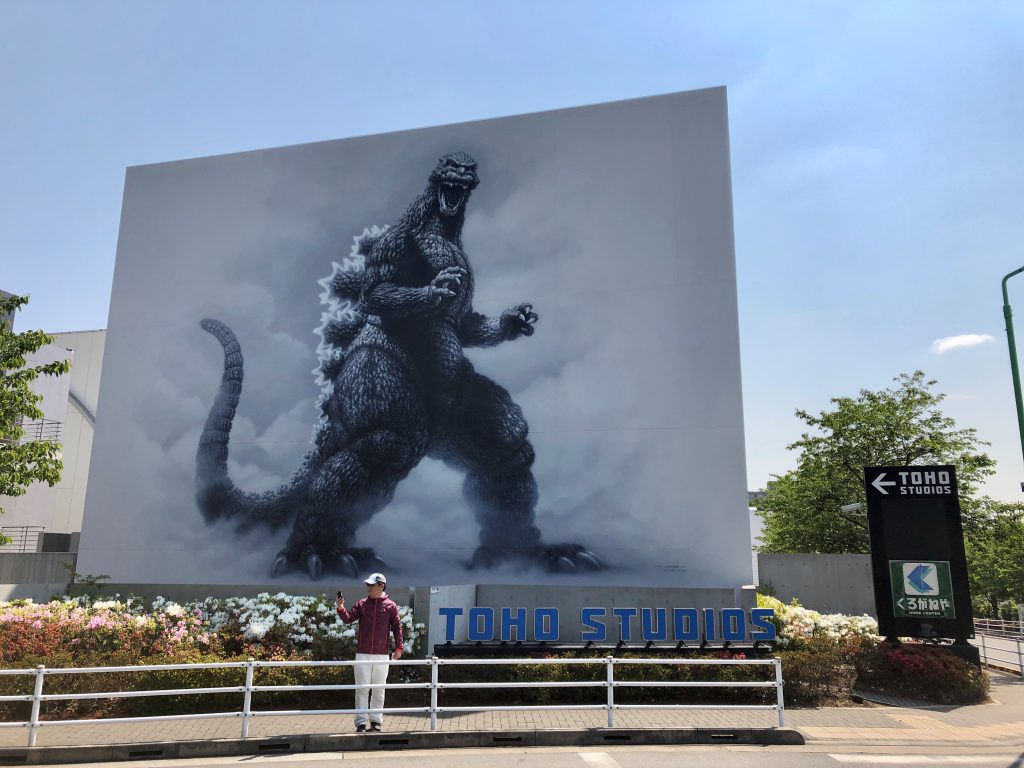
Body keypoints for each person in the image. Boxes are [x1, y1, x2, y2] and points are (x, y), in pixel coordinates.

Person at [335, 572, 404, 732]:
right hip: (363, 653)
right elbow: (347, 619)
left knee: (379, 689)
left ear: (381, 586)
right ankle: (361, 722)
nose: (368, 587)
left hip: (382, 653)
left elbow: (397, 627)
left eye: (371, 585)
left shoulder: (390, 606)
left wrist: (399, 648)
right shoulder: (362, 604)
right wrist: (340, 608)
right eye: (368, 584)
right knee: (362, 689)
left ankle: (376, 721)